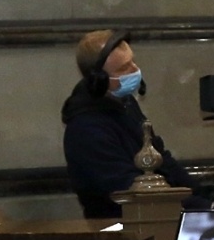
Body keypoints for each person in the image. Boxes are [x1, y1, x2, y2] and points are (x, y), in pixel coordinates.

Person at [61, 29, 196, 218]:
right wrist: (195, 207)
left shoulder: (126, 104)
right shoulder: (86, 129)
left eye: (133, 61)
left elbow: (162, 159)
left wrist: (205, 197)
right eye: (123, 68)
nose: (135, 70)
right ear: (99, 80)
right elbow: (130, 190)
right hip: (122, 225)